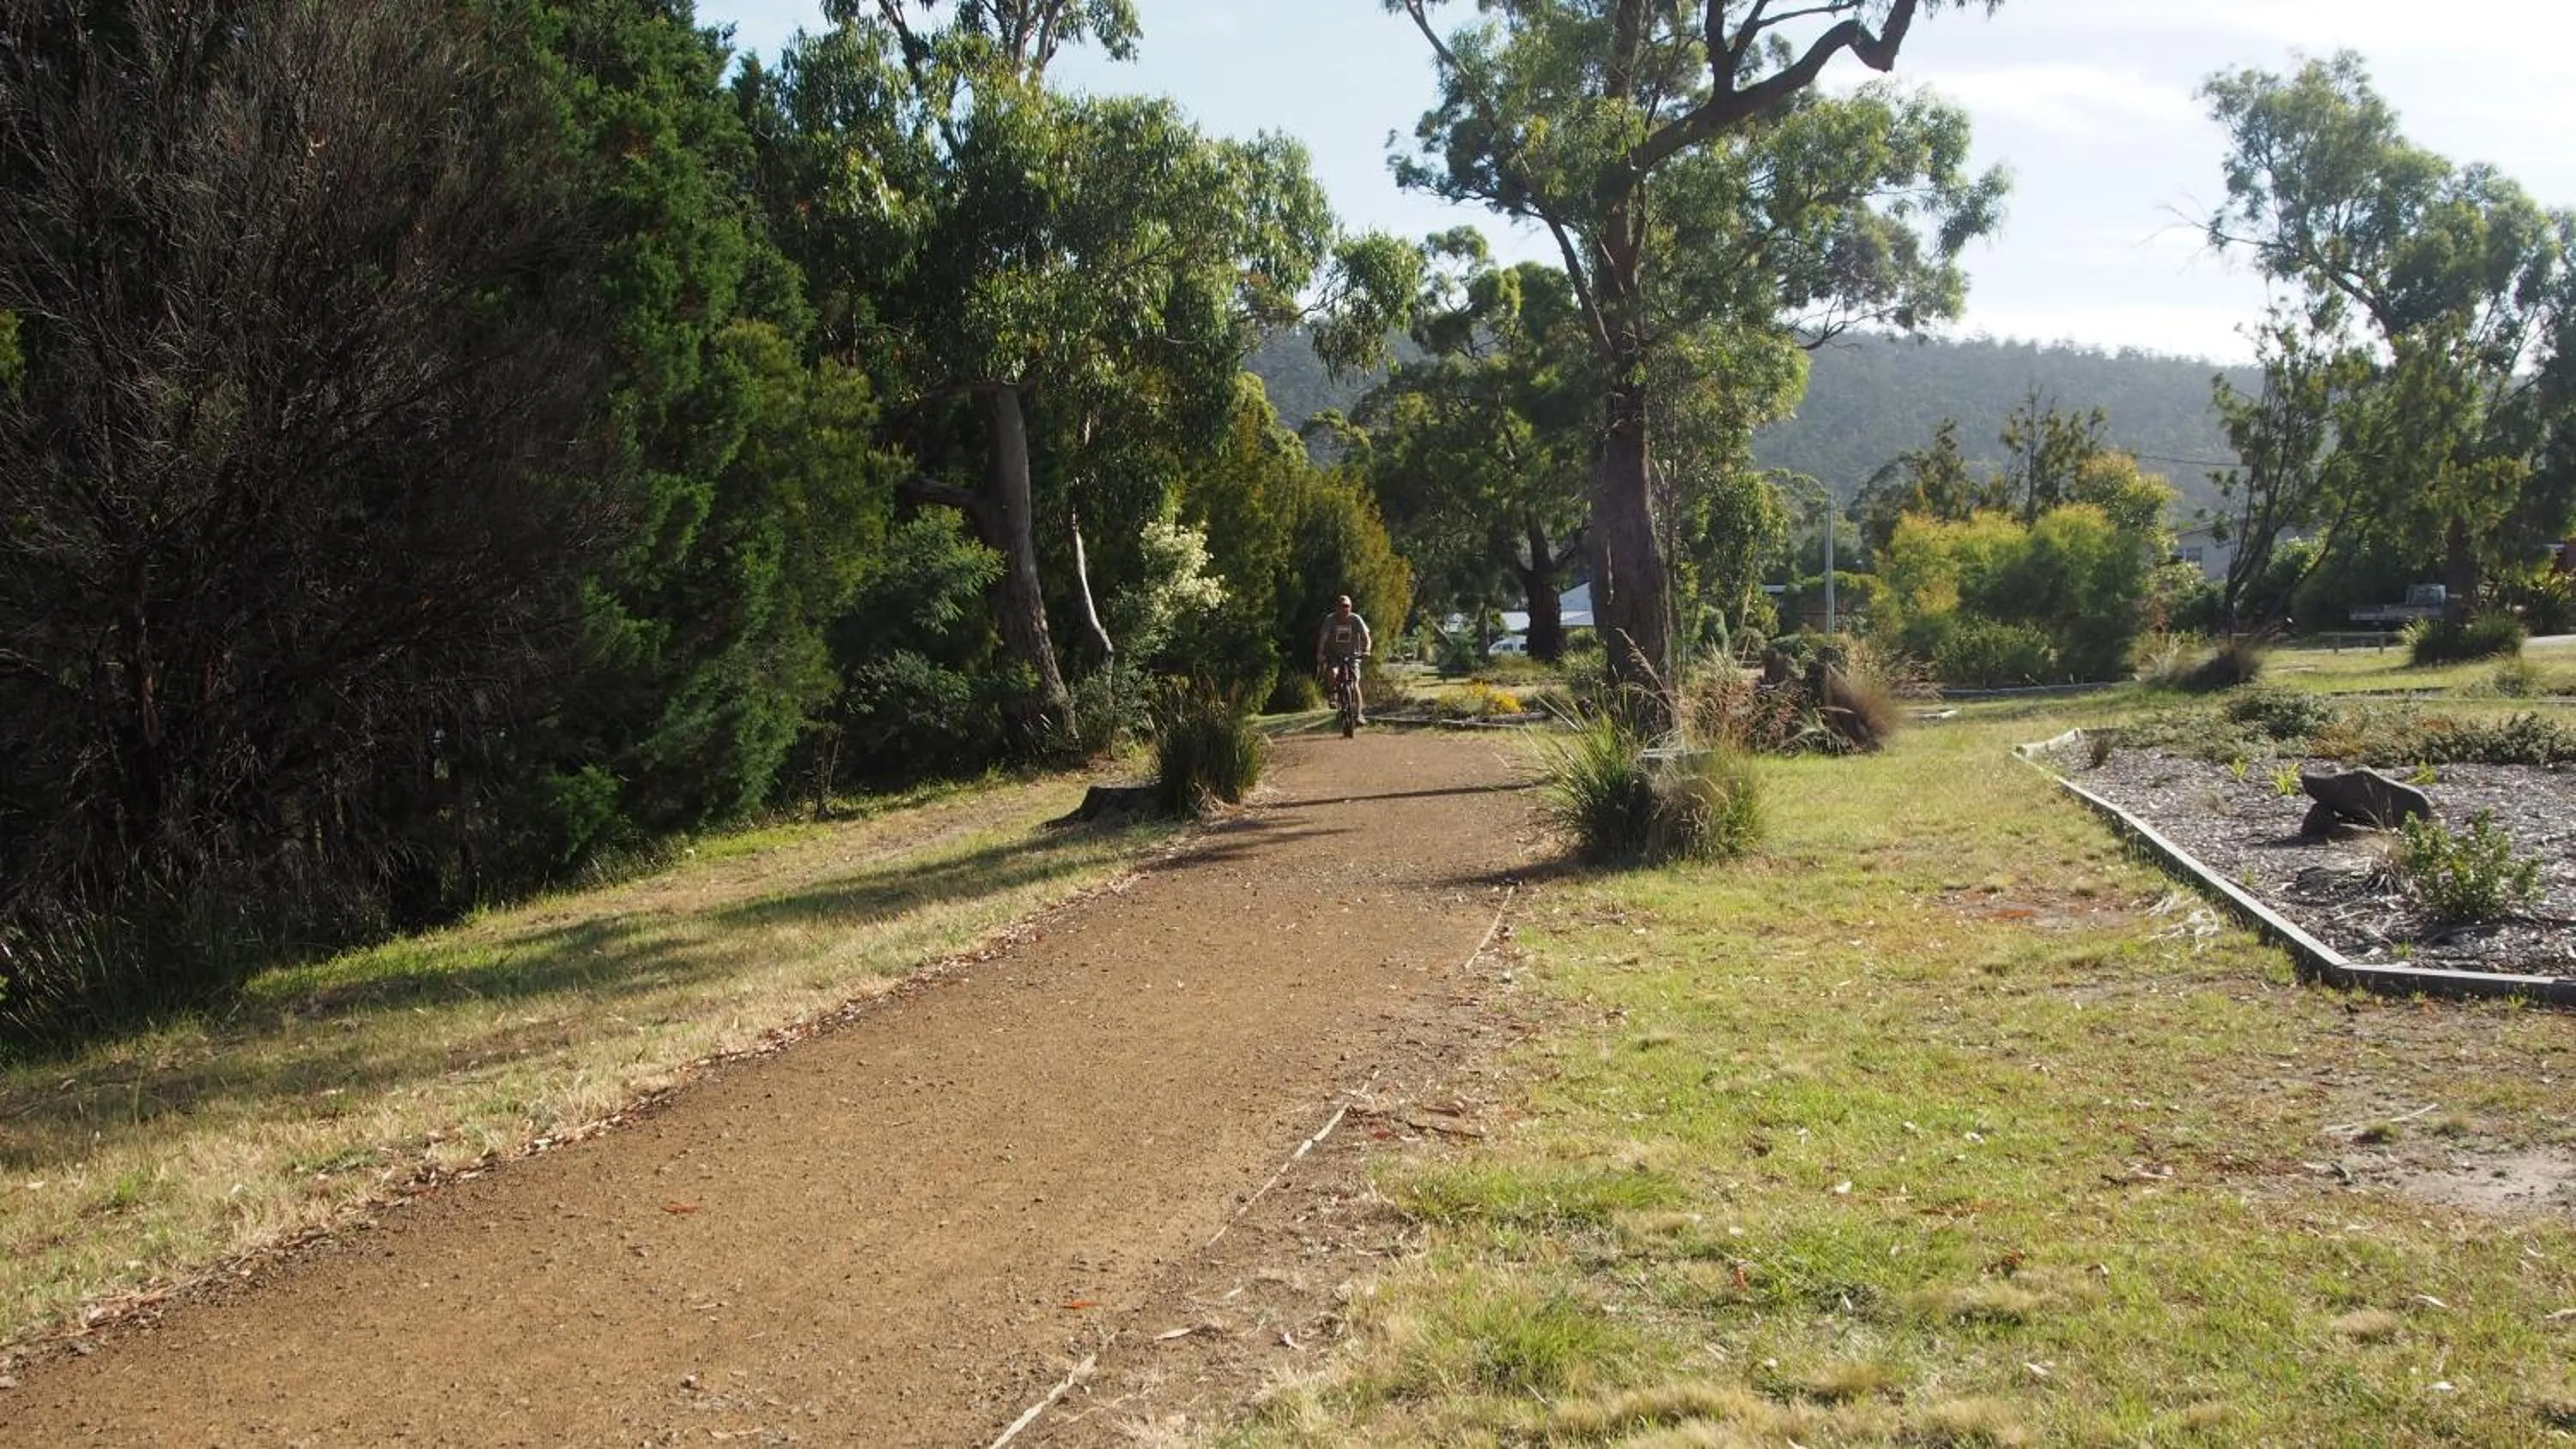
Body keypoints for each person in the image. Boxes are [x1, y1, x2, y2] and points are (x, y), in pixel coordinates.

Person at [1315, 593, 1373, 724]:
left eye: (1347, 606)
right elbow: (1323, 638)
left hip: (1353, 656)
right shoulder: (1330, 619)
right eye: (1342, 606)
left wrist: (1367, 649)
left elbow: (1366, 637)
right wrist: (1320, 654)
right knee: (1332, 672)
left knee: (1355, 684)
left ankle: (1358, 715)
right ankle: (1332, 695)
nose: (1344, 609)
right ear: (1337, 608)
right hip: (1335, 655)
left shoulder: (1356, 619)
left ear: (1351, 607)